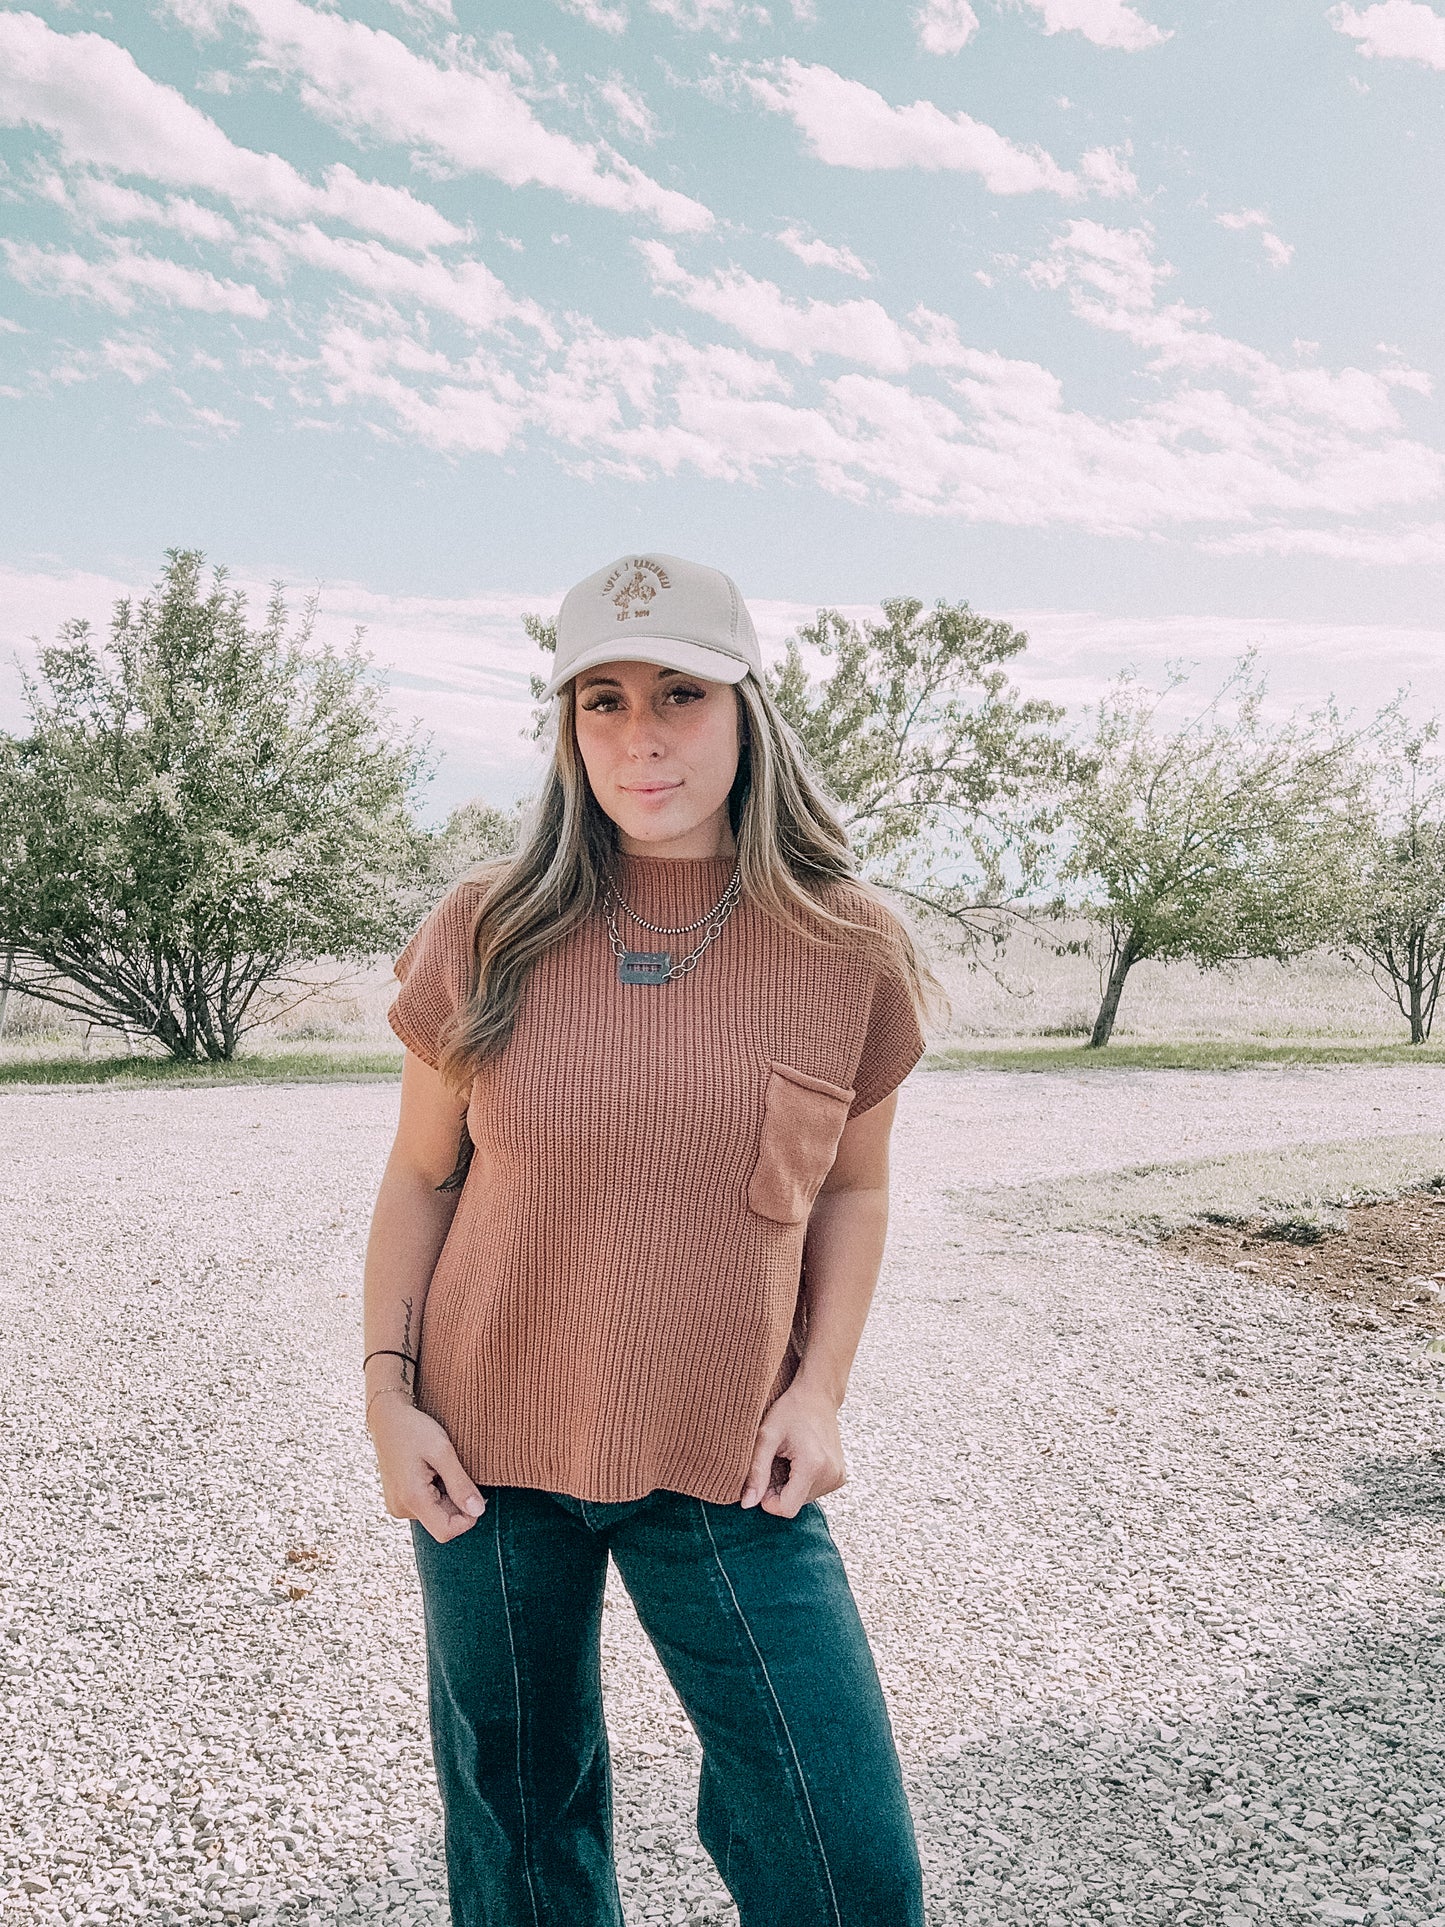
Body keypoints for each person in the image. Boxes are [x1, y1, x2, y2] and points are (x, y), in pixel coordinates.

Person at [361, 550, 940, 1927]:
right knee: (518, 1830)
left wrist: (819, 1389)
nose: (641, 735)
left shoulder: (844, 945)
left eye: (679, 690)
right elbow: (420, 1177)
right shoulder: (487, 929)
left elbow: (852, 1189)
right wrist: (387, 1398)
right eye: (601, 700)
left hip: (730, 1463)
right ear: (565, 727)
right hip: (483, 1459)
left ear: (747, 709)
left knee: (843, 1861)